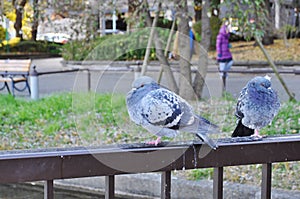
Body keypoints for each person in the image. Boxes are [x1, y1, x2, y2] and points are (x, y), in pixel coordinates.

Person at [216, 20, 233, 93]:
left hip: (227, 53)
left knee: (231, 62)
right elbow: (218, 45)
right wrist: (219, 52)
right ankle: (222, 77)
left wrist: (228, 46)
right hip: (222, 54)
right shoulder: (220, 36)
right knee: (222, 67)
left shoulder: (226, 37)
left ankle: (225, 73)